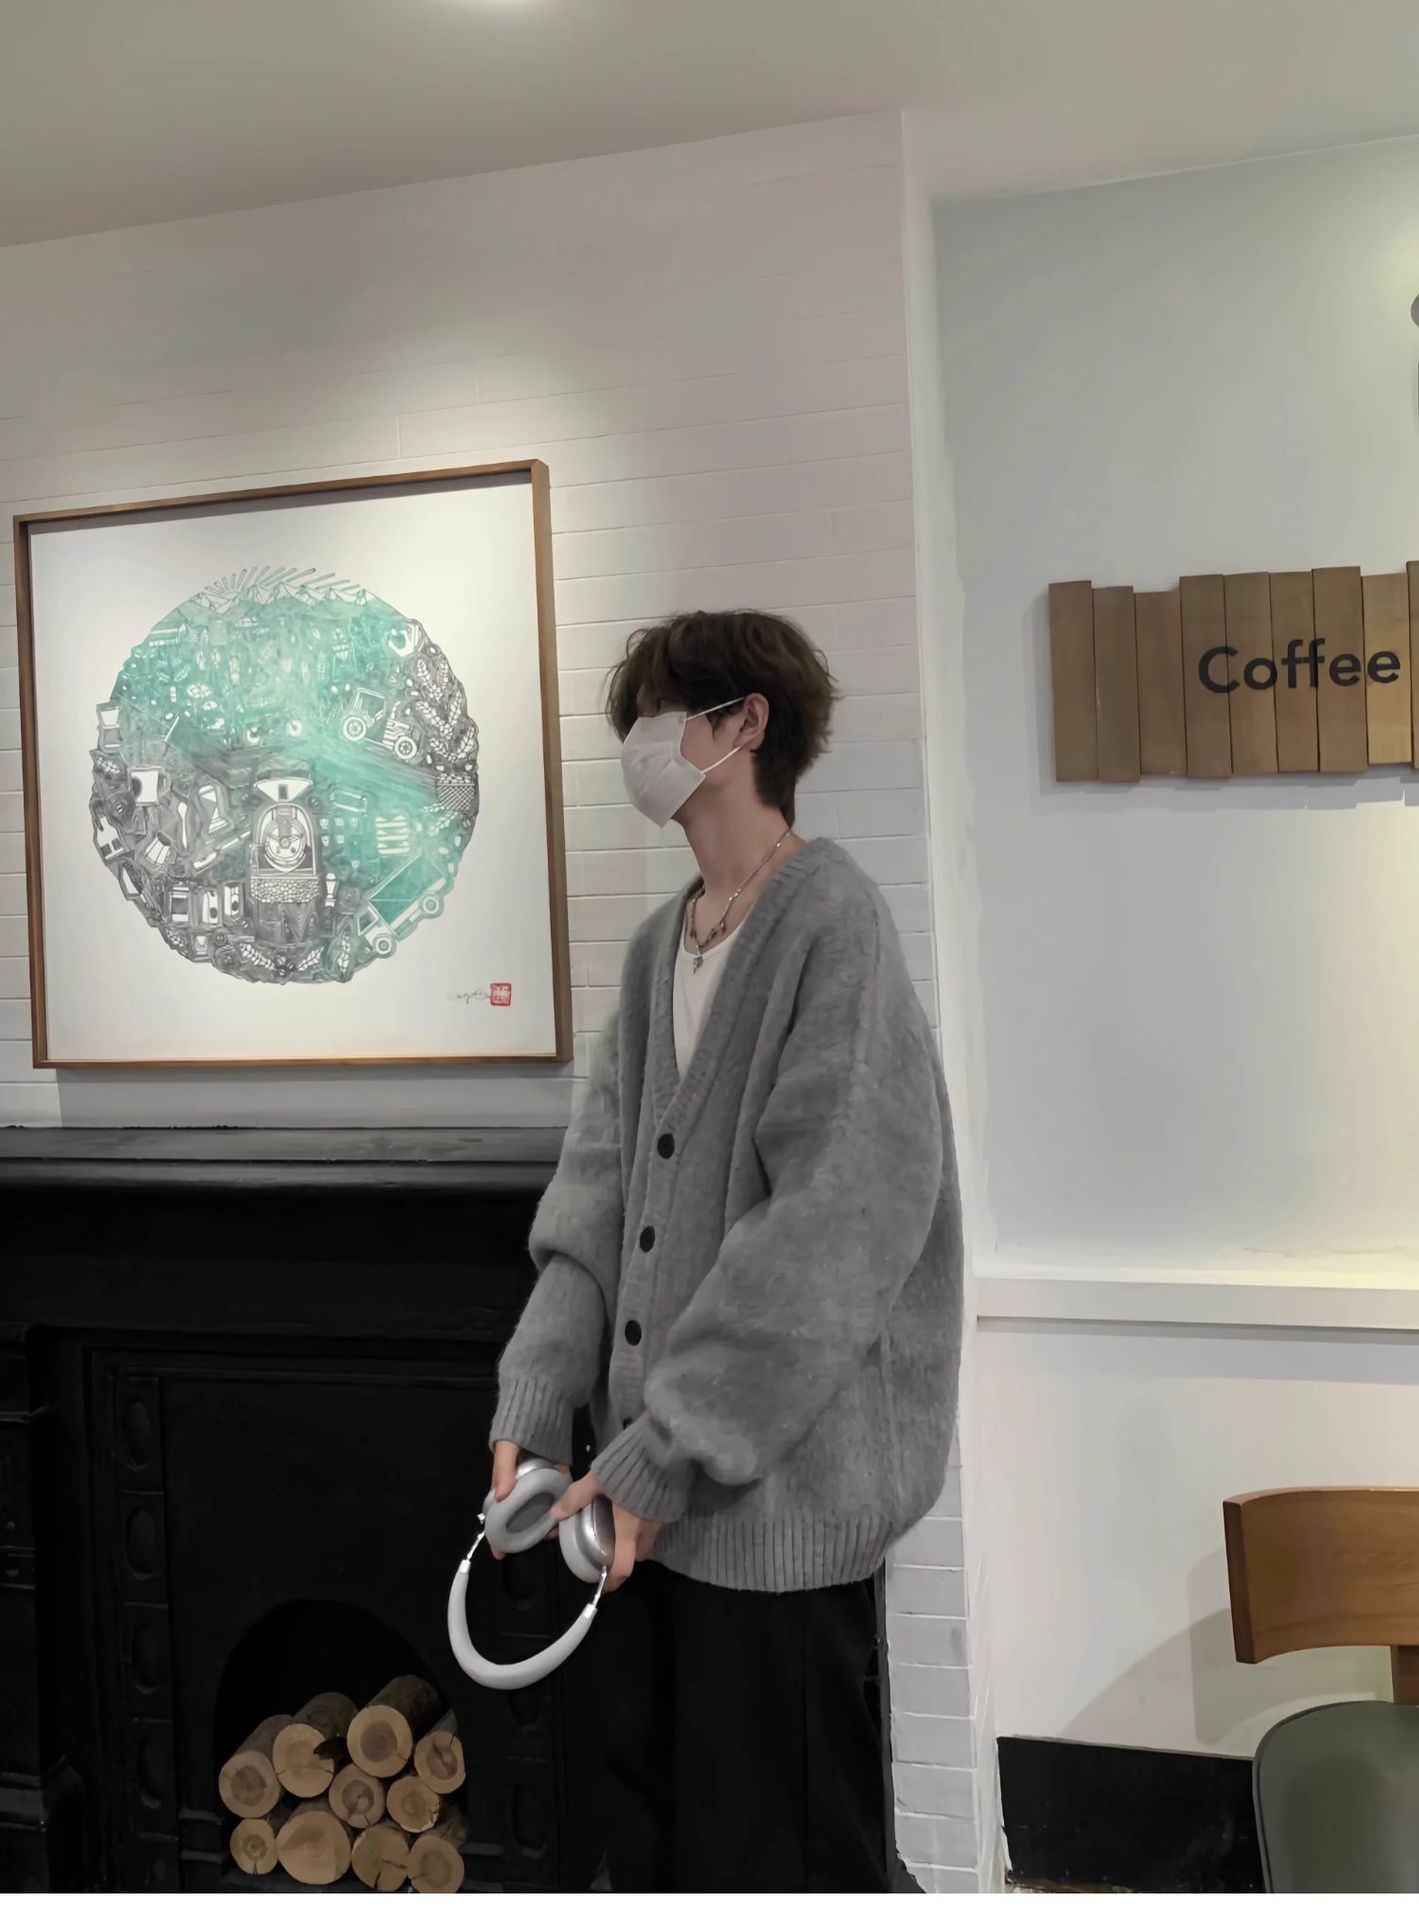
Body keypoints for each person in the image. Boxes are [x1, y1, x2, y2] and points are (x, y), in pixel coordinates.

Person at [488, 608, 963, 1892]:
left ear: (747, 722)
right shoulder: (663, 948)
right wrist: (536, 1393)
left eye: (661, 715)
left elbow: (833, 1227)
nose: (640, 744)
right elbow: (594, 1195)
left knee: (782, 1853)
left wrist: (671, 1443)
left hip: (771, 1510)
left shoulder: (834, 925)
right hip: (643, 1508)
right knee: (659, 1843)